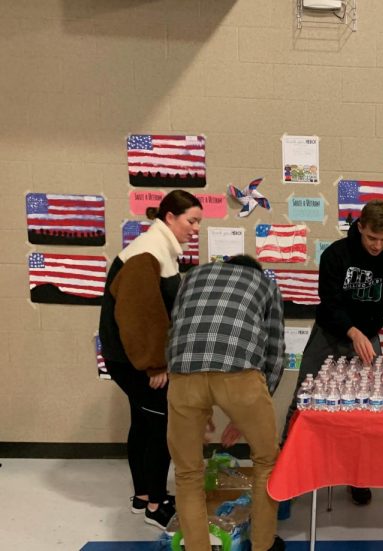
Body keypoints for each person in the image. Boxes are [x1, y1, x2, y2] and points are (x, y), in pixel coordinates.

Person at [281, 200, 383, 506]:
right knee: (302, 402)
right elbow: (329, 301)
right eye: (372, 238)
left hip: (367, 337)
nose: (378, 245)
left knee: (364, 412)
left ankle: (358, 476)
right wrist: (352, 330)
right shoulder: (336, 254)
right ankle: (284, 468)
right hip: (330, 335)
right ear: (360, 227)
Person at [166, 255, 287, 551]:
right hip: (240, 375)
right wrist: (251, 408)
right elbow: (274, 352)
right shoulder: (266, 283)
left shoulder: (192, 277)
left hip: (183, 374)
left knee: (187, 471)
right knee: (266, 461)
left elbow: (176, 331)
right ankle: (263, 545)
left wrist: (198, 404)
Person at [98, 190, 203, 529]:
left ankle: (143, 495)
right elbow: (139, 315)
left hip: (129, 358)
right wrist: (155, 364)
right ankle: (156, 506)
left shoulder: (158, 249)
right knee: (160, 425)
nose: (196, 228)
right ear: (169, 217)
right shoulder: (147, 254)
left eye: (198, 221)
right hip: (136, 361)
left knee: (144, 422)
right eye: (192, 220)